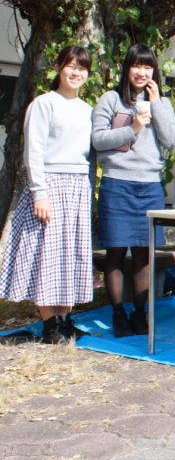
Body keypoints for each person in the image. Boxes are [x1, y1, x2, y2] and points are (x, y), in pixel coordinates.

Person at [0, 46, 95, 343]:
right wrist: (39, 193)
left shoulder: (88, 110)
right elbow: (34, 151)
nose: (76, 73)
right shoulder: (43, 104)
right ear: (58, 67)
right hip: (50, 185)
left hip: (77, 187)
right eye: (71, 66)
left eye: (82, 68)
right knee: (46, 256)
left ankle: (66, 321)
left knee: (70, 255)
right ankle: (49, 325)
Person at [92, 44, 175, 338]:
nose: (142, 72)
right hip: (117, 183)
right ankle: (118, 314)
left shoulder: (160, 101)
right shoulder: (111, 99)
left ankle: (139, 314)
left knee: (144, 253)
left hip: (150, 185)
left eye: (148, 66)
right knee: (115, 252)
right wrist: (133, 127)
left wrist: (157, 104)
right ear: (127, 68)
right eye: (136, 65)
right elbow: (98, 140)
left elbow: (170, 140)